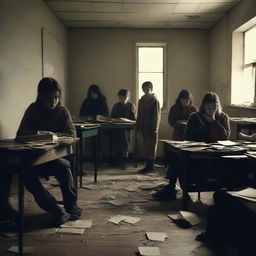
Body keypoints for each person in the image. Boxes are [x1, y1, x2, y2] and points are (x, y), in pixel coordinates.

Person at [16, 77, 82, 226]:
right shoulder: (32, 109)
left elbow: (72, 135)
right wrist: (38, 133)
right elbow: (20, 134)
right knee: (27, 175)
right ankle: (56, 210)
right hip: (34, 158)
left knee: (64, 166)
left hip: (52, 157)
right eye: (48, 98)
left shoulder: (62, 111)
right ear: (40, 96)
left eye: (57, 98)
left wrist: (54, 137)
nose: (53, 102)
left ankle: (70, 206)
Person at [154, 92, 230, 200]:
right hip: (197, 151)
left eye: (214, 107)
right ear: (203, 106)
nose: (211, 110)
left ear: (218, 106)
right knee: (175, 156)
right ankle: (172, 187)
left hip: (216, 154)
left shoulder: (223, 117)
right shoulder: (195, 117)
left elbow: (225, 137)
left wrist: (214, 122)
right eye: (208, 107)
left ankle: (223, 192)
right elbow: (188, 137)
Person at [137, 81, 161, 174]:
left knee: (151, 146)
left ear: (151, 89)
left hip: (152, 127)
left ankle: (151, 166)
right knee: (145, 146)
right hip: (144, 126)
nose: (146, 91)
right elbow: (139, 113)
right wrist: (139, 125)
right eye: (144, 89)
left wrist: (155, 127)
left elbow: (157, 115)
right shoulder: (142, 100)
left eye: (148, 89)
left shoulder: (155, 100)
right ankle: (147, 165)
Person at [111, 89, 136, 169]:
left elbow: (134, 119)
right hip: (116, 127)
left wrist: (126, 120)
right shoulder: (116, 106)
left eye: (124, 98)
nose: (122, 100)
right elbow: (112, 117)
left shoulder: (131, 106)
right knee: (114, 140)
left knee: (125, 142)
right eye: (120, 98)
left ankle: (124, 161)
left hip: (126, 128)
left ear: (128, 97)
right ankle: (116, 160)